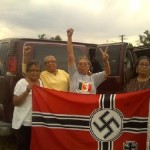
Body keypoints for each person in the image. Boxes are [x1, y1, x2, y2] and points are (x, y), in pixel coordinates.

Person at [67, 28, 111, 94]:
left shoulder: (93, 78)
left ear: (89, 66)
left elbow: (107, 73)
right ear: (77, 66)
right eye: (80, 64)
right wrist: (69, 37)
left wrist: (105, 61)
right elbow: (71, 57)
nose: (82, 65)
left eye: (85, 64)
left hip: (89, 104)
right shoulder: (74, 74)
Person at [12, 60, 43, 150]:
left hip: (35, 121)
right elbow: (15, 102)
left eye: (37, 70)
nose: (35, 73)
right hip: (23, 122)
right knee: (23, 146)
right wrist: (27, 91)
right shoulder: (21, 83)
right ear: (27, 72)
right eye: (32, 70)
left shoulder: (40, 82)